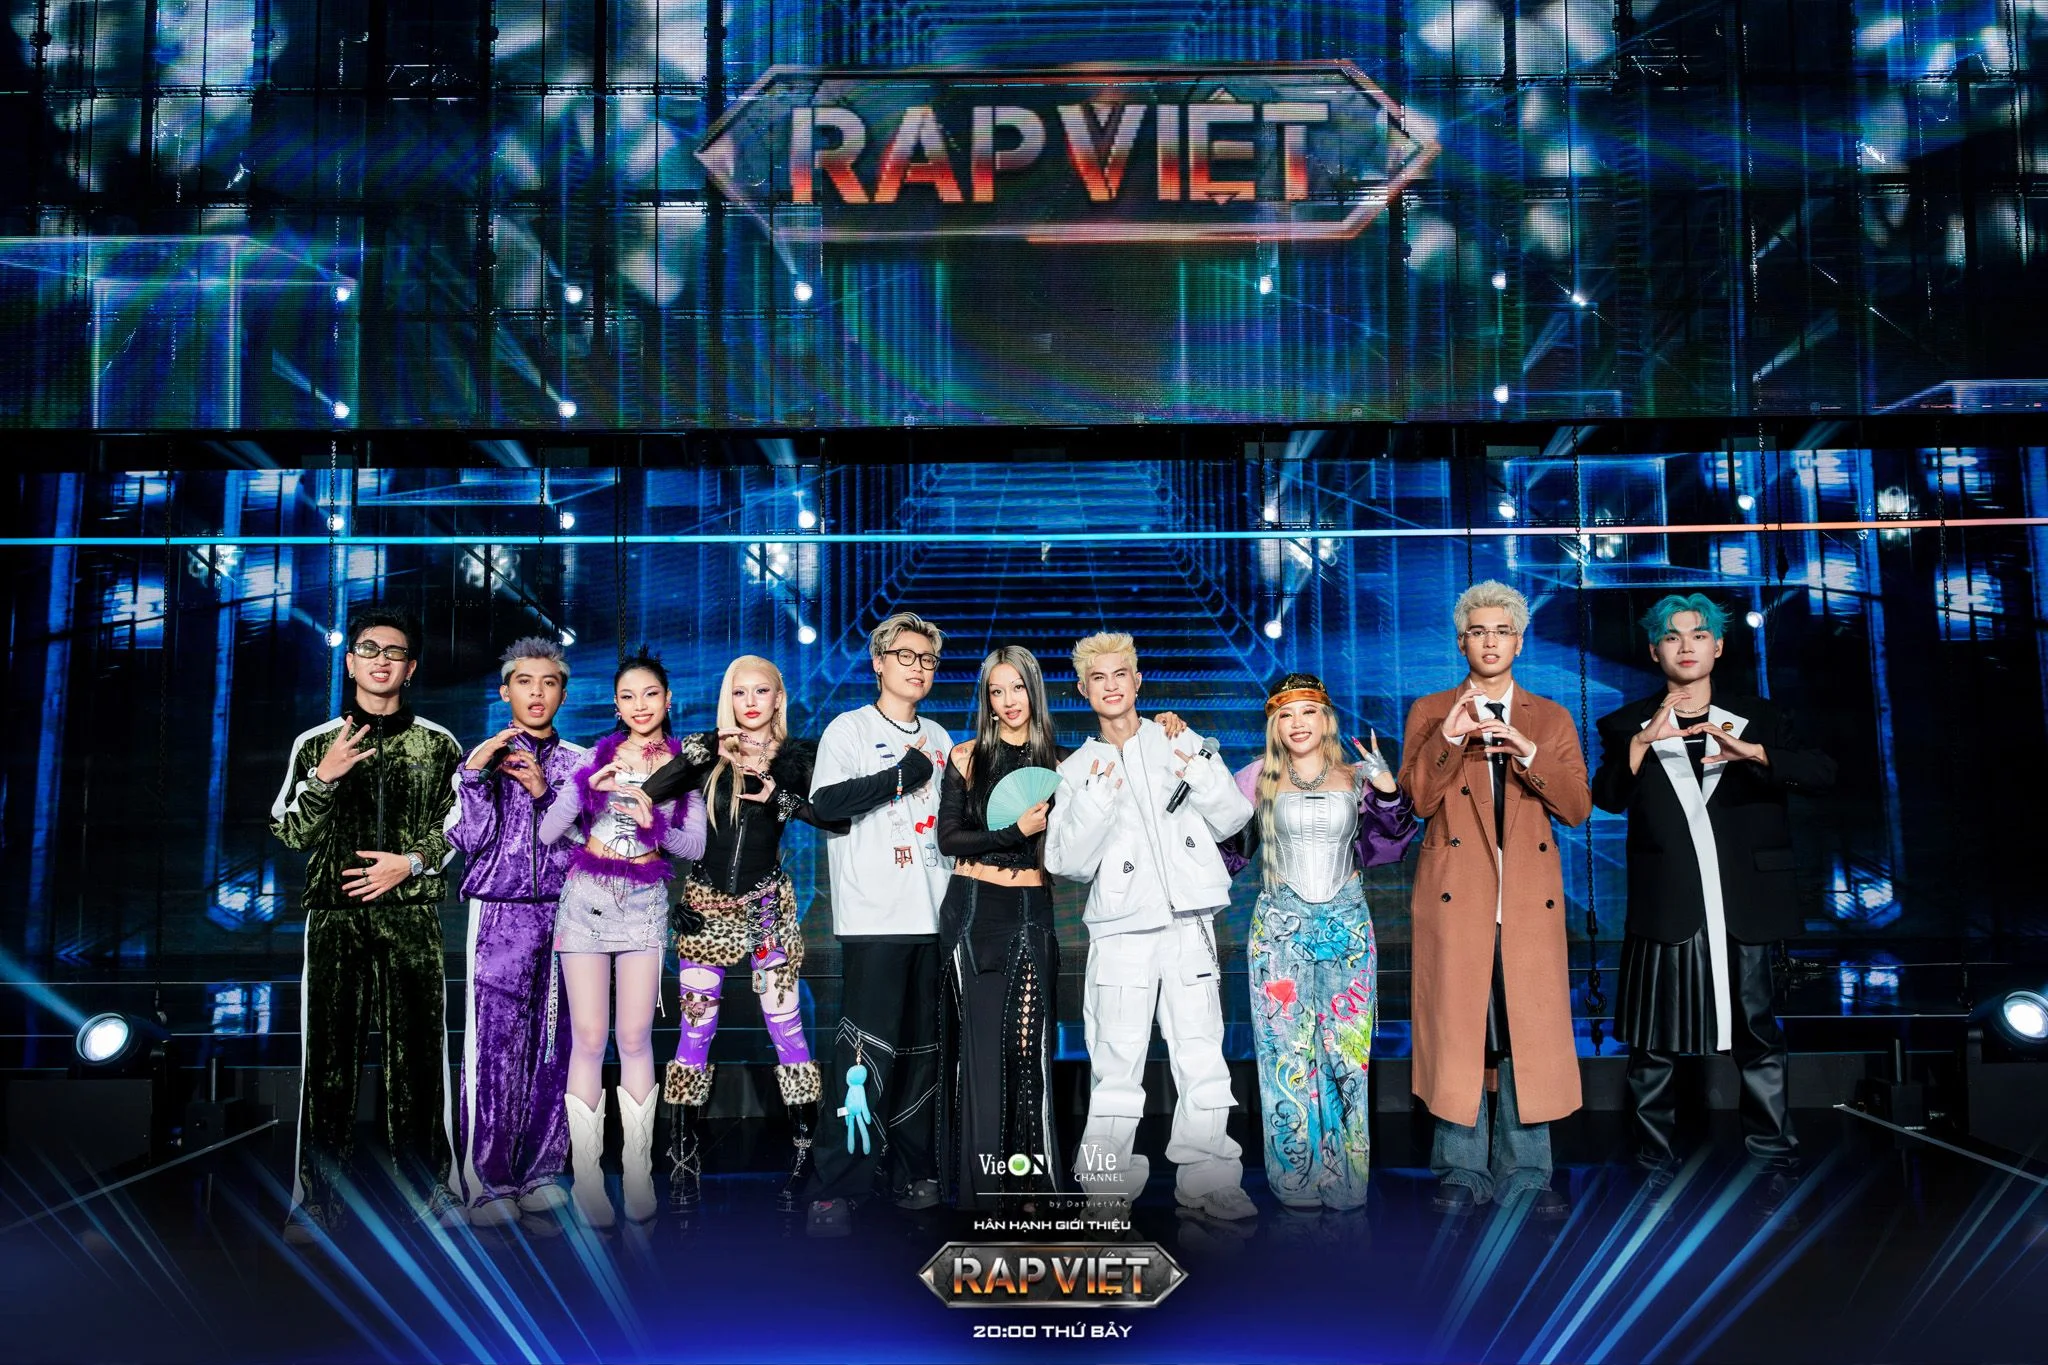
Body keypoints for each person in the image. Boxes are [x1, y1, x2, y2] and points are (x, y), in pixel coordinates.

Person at [1592, 595, 1834, 1202]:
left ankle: (1774, 1160)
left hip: (1745, 901)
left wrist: (1754, 752)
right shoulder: (1626, 724)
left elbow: (1822, 773)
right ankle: (1652, 1164)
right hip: (1668, 901)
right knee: (1653, 1043)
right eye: (1672, 637)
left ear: (1718, 646)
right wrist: (1642, 743)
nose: (1686, 646)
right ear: (1655, 651)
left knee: (1758, 1034)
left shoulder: (1760, 717)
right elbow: (1607, 797)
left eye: (1699, 635)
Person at [1044, 632, 1257, 1221]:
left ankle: (1210, 1179)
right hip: (1120, 930)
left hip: (1188, 923)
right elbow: (1065, 862)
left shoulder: (1178, 739)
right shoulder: (1075, 769)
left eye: (1121, 674)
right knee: (1115, 1064)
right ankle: (1103, 1189)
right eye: (1099, 678)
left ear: (1137, 681)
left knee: (1202, 1056)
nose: (1111, 686)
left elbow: (1234, 818)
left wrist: (1201, 771)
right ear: (1083, 690)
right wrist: (1095, 802)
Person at [269, 605, 464, 1243]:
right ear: (350, 661)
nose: (382, 661)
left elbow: (459, 829)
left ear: (411, 668)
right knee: (327, 1061)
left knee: (420, 1060)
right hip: (335, 917)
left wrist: (409, 864)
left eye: (395, 652)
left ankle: (431, 1192)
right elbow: (289, 832)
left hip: (411, 917)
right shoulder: (314, 743)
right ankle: (317, 1202)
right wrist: (323, 780)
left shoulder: (439, 745)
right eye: (370, 650)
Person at [1398, 581, 1589, 1220]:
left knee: (1526, 1030)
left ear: (1519, 642)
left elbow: (1577, 807)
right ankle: (1460, 1167)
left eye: (1502, 631)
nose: (1490, 642)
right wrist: (1449, 741)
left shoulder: (1549, 717)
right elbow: (1416, 802)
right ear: (1461, 642)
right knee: (1460, 1030)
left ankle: (1528, 1170)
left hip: (1527, 900)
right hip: (1458, 898)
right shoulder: (1431, 710)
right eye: (1478, 631)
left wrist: (1529, 752)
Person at [639, 655, 823, 1213]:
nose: (750, 702)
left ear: (778, 698)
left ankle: (804, 1157)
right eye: (739, 692)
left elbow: (832, 816)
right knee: (695, 1035)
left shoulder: (797, 758)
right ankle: (683, 1158)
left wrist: (781, 798)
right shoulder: (708, 753)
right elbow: (649, 792)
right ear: (729, 698)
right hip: (706, 908)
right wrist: (698, 753)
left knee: (788, 1034)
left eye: (761, 691)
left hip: (768, 910)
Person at [1228, 673, 1417, 1212]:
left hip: (1347, 927)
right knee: (1283, 1052)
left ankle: (1346, 1177)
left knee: (1347, 1054)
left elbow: (1390, 844)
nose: (1297, 724)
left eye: (1308, 712)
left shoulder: (1358, 776)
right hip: (1278, 931)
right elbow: (1221, 845)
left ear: (1326, 718)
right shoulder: (1255, 779)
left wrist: (1387, 790)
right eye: (1285, 715)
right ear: (1274, 725)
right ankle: (1294, 1176)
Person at [537, 653, 706, 1227]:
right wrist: (588, 789)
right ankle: (587, 1182)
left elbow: (695, 847)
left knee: (634, 1037)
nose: (640, 705)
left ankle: (637, 1175)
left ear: (667, 699)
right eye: (628, 696)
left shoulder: (684, 767)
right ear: (616, 705)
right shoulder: (594, 757)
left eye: (650, 694)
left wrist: (654, 819)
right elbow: (549, 830)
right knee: (588, 1038)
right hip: (585, 901)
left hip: (644, 905)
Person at [803, 612, 954, 1236]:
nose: (918, 668)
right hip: (874, 919)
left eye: (928, 659)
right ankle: (837, 1186)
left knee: (923, 1054)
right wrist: (901, 776)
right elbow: (825, 805)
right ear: (878, 662)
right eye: (905, 656)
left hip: (935, 917)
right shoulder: (850, 729)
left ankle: (913, 1170)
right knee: (863, 1056)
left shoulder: (940, 736)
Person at [444, 637, 586, 1226]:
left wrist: (544, 792)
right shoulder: (482, 760)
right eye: (524, 682)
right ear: (506, 691)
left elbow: (592, 847)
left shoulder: (581, 764)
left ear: (562, 693)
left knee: (557, 1043)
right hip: (499, 915)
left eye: (549, 682)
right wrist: (475, 776)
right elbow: (466, 839)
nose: (537, 693)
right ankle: (487, 1180)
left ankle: (541, 1171)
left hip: (567, 913)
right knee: (493, 1047)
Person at [934, 646, 1068, 1211]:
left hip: (1030, 910)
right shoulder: (966, 757)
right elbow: (949, 839)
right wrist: (1014, 831)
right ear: (987, 699)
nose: (1009, 701)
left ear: (1034, 692)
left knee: (1027, 1049)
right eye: (997, 690)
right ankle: (983, 1189)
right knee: (980, 1052)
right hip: (971, 910)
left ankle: (1031, 1182)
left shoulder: (1061, 764)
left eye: (1018, 688)